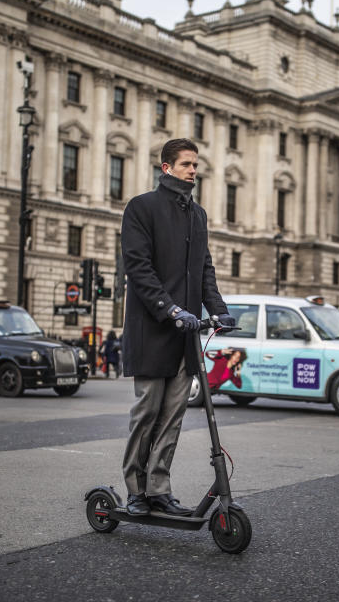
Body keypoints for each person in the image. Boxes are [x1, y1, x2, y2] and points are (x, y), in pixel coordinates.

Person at [120, 138, 235, 517]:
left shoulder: (197, 214)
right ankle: (136, 490)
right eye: (186, 164)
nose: (193, 170)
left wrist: (219, 310)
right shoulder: (141, 207)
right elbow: (138, 268)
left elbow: (204, 268)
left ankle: (159, 487)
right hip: (153, 329)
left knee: (172, 418)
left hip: (185, 335)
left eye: (195, 164)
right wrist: (169, 309)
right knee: (147, 414)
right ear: (166, 167)